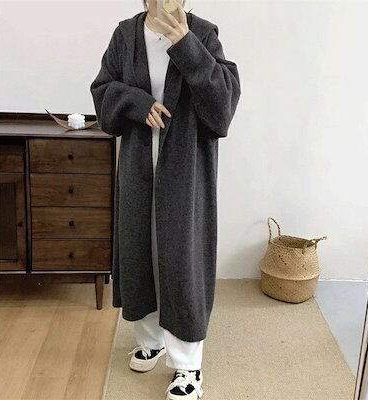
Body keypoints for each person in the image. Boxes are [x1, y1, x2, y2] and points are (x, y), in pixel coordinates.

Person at [90, 1, 240, 398]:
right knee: (140, 250)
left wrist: (186, 45)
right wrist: (137, 105)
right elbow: (102, 93)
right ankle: (150, 339)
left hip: (186, 173)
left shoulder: (203, 33)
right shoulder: (125, 35)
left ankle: (188, 365)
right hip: (138, 169)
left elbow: (222, 110)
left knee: (181, 259)